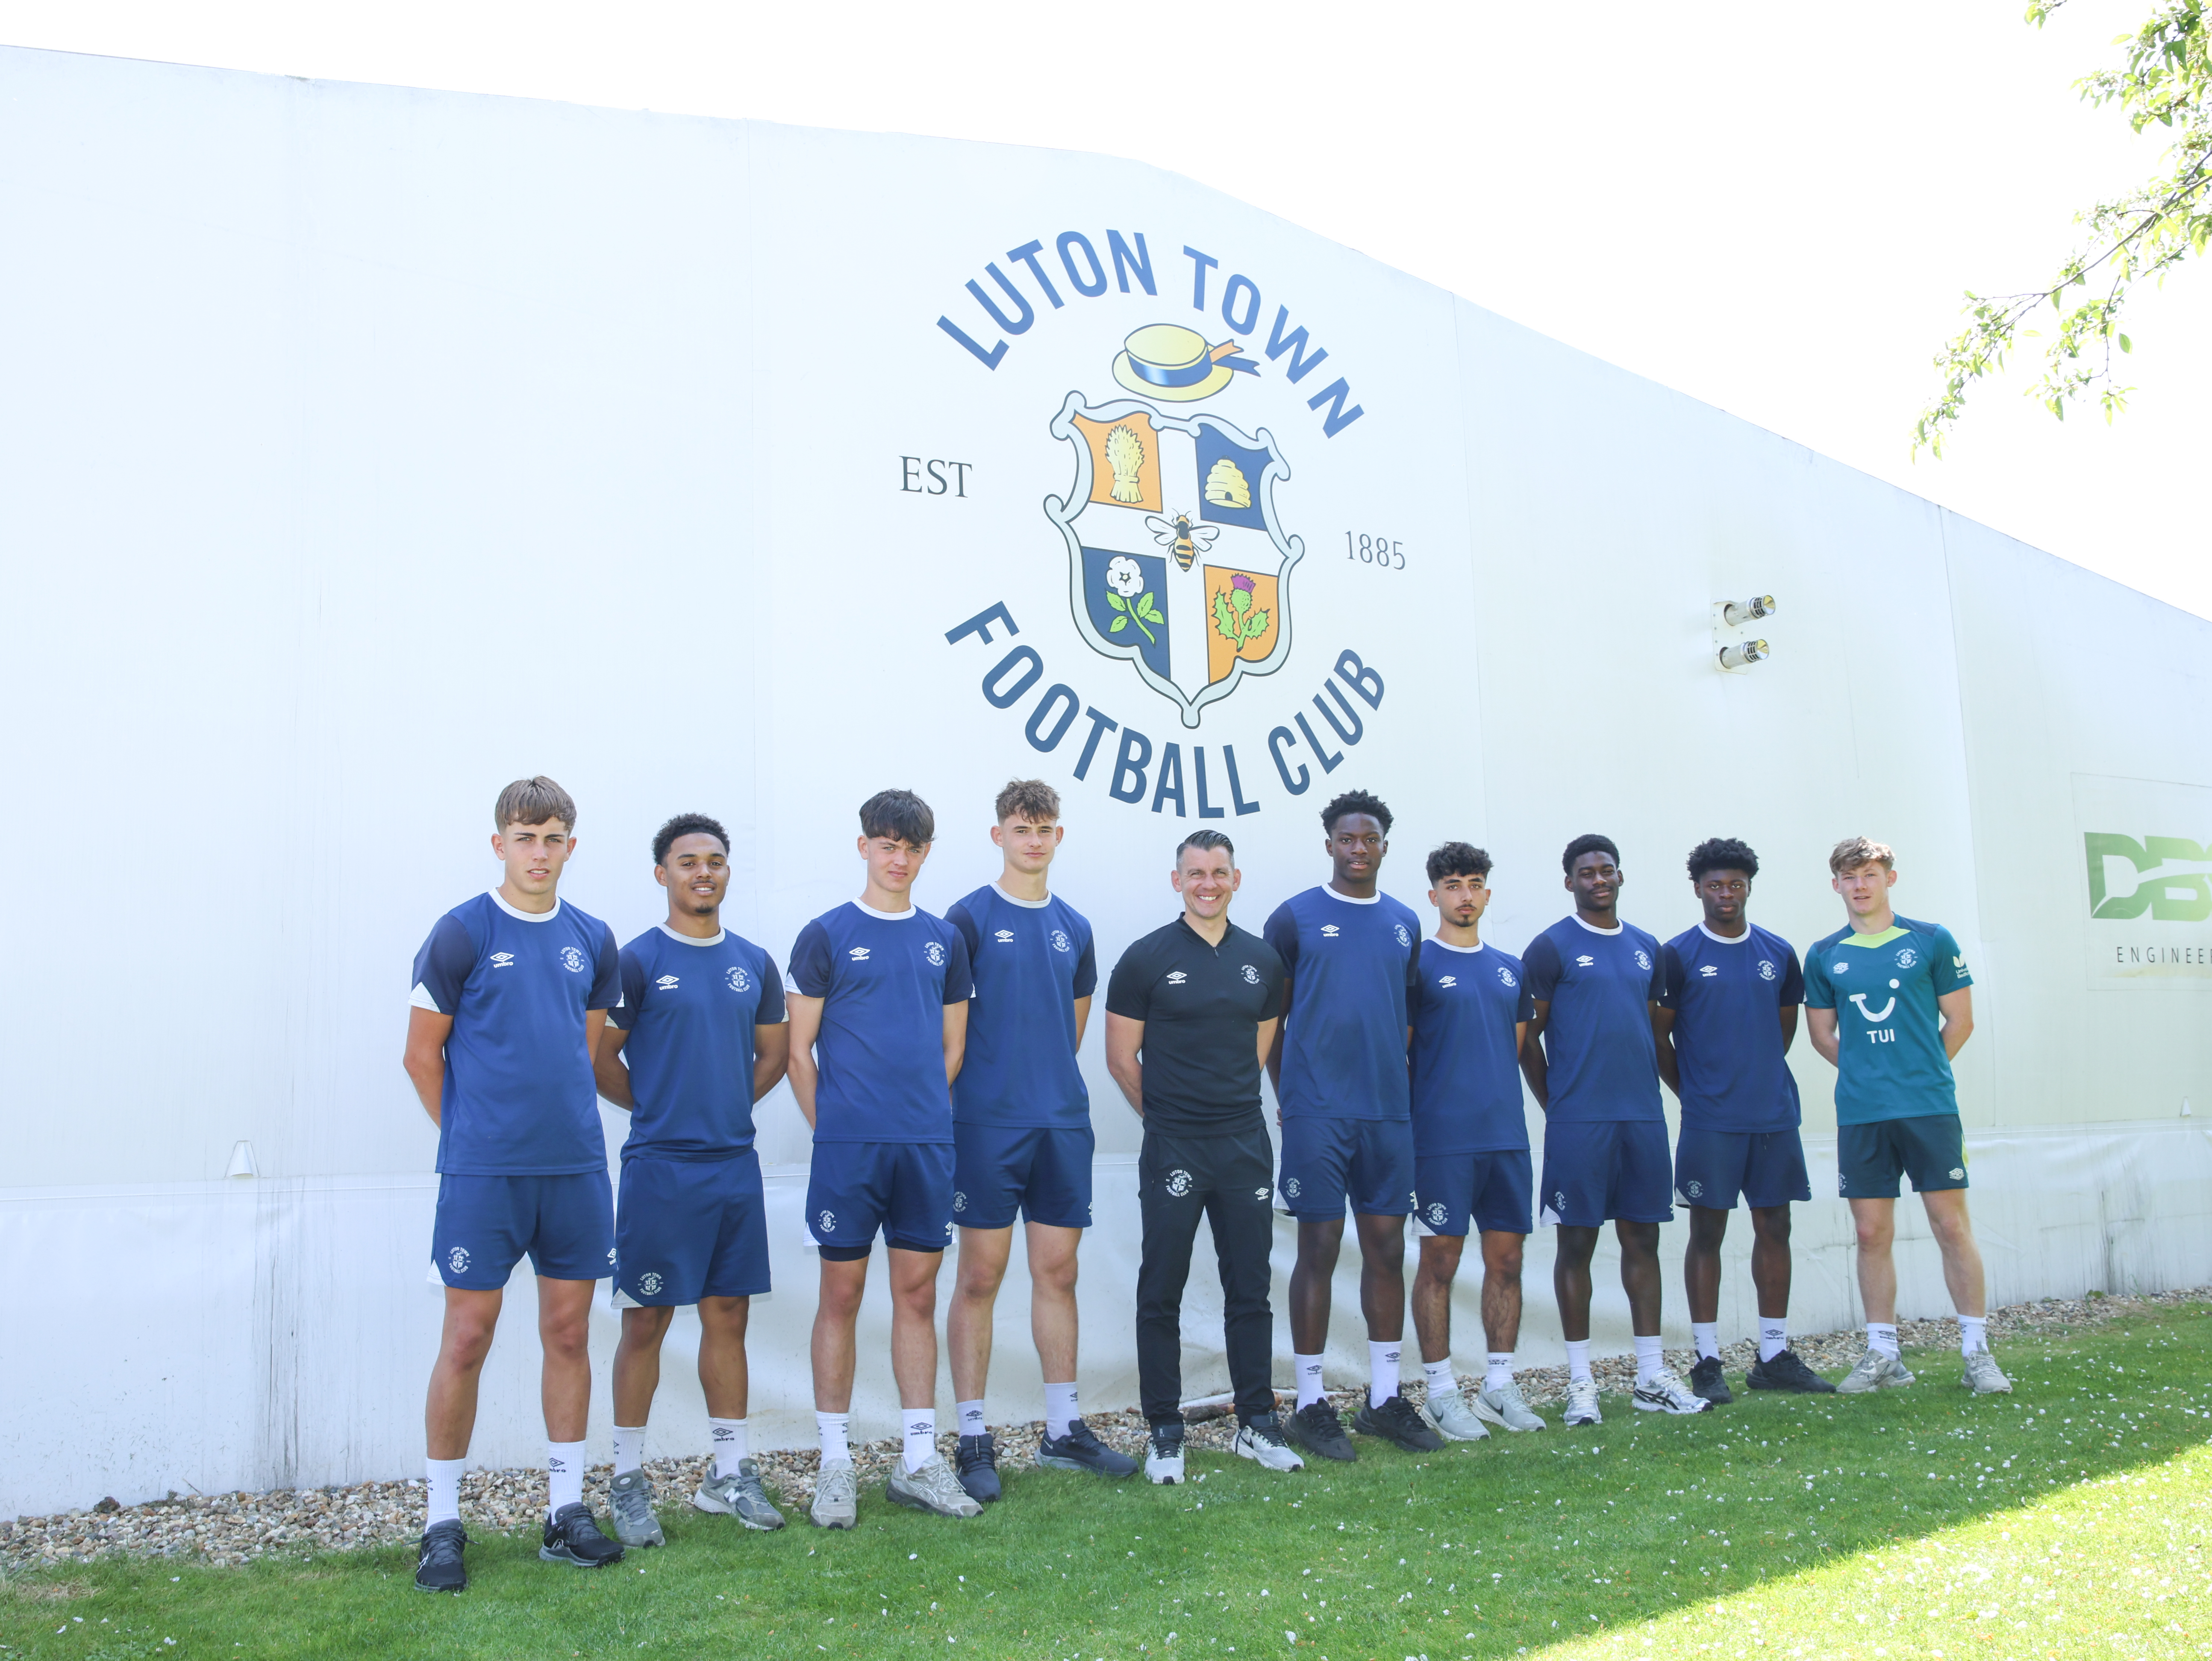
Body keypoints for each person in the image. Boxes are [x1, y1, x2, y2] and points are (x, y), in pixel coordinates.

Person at [403, 776, 627, 1593]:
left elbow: (585, 1052)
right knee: (468, 1337)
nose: (540, 851)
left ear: (572, 846)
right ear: (499, 843)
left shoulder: (593, 938)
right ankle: (441, 1522)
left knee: (569, 1334)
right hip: (484, 1176)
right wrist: (472, 1141)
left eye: (553, 837)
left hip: (573, 1169)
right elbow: (421, 1057)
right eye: (525, 837)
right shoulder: (462, 932)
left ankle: (565, 1511)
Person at [591, 813, 793, 1546]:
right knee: (645, 1319)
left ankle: (728, 1474)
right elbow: (601, 1058)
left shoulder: (754, 962)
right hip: (660, 1167)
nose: (703, 871)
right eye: (687, 861)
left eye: (714, 860)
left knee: (728, 1314)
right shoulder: (637, 960)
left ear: (727, 871)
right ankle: (627, 1479)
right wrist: (658, 1107)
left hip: (732, 1165)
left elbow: (774, 1054)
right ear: (663, 874)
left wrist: (727, 1105)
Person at [787, 789, 981, 1527]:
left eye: (912, 847)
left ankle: (920, 1459)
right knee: (840, 1296)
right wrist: (836, 1128)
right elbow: (799, 1051)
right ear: (864, 845)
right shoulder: (826, 934)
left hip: (926, 1147)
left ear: (926, 853)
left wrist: (916, 1115)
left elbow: (953, 1048)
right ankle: (835, 1462)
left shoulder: (944, 939)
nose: (899, 859)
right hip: (849, 1153)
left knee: (918, 1297)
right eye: (887, 844)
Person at [942, 780, 1135, 1502]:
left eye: (1044, 828)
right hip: (986, 1124)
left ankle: (1063, 1430)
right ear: (999, 835)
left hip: (1060, 1122)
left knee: (1059, 1272)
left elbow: (1070, 1028)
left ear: (1059, 836)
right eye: (1021, 828)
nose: (1033, 840)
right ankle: (972, 1436)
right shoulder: (967, 918)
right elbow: (950, 1029)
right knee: (979, 1276)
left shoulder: (1075, 926)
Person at [1105, 830, 1302, 1484]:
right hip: (1175, 1146)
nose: (1208, 883)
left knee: (1251, 1287)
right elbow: (1120, 1059)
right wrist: (1168, 1118)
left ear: (1236, 879)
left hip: (1244, 1144)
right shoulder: (1145, 959)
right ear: (1177, 881)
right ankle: (1165, 1431)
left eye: (1219, 872)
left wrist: (1223, 1109)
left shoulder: (1263, 961)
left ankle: (1257, 1422)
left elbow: (1257, 1050)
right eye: (1196, 873)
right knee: (1161, 1287)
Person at [1265, 790, 1439, 1461]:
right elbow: (1273, 1021)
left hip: (1386, 1113)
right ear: (1330, 844)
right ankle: (1310, 1404)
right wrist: (1290, 1094)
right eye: (1347, 838)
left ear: (1385, 846)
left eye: (1369, 839)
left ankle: (1384, 1397)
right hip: (1318, 1111)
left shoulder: (1404, 923)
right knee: (1319, 1246)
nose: (1358, 848)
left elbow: (1404, 1017)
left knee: (1388, 1250)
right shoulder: (1295, 918)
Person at [1805, 836, 2011, 1396]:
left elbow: (1961, 1021)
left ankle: (1977, 1353)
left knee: (1951, 1226)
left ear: (1890, 878)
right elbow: (1822, 1035)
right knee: (1870, 1232)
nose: (1860, 886)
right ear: (1836, 885)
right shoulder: (1824, 954)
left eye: (1870, 874)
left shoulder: (1931, 940)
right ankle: (1884, 1355)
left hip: (1929, 1107)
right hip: (1863, 1113)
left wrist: (1918, 1069)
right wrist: (1870, 1072)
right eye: (1850, 877)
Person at [1521, 833, 1708, 1424]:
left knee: (1643, 1242)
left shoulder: (1648, 948)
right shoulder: (1550, 947)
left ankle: (1651, 1375)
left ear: (1620, 876)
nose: (1598, 879)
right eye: (1587, 872)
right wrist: (1557, 1104)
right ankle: (1581, 1383)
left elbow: (1651, 1032)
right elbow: (1527, 1041)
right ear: (1569, 882)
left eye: (1607, 870)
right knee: (1576, 1245)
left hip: (1642, 1118)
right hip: (1580, 1123)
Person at [1654, 839, 1833, 1402]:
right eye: (1715, 885)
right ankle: (1707, 1361)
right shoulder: (1677, 954)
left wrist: (1756, 1077)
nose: (1725, 894)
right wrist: (1696, 1092)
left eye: (1735, 884)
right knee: (1707, 1232)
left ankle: (1773, 1355)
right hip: (1710, 1121)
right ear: (1698, 890)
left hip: (1773, 1115)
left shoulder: (1778, 952)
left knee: (1774, 1226)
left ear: (1749, 886)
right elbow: (1659, 1038)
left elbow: (1783, 1029)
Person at [1407, 842, 1545, 1439]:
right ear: (1434, 894)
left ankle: (1499, 1385)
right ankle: (1441, 1392)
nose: (1465, 895)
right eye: (1453, 885)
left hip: (1505, 1138)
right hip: (1441, 1140)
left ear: (1487, 893)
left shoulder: (1511, 967)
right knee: (1440, 1261)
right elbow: (1402, 1051)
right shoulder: (1416, 964)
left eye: (1474, 884)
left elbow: (1512, 1047)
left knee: (1507, 1261)